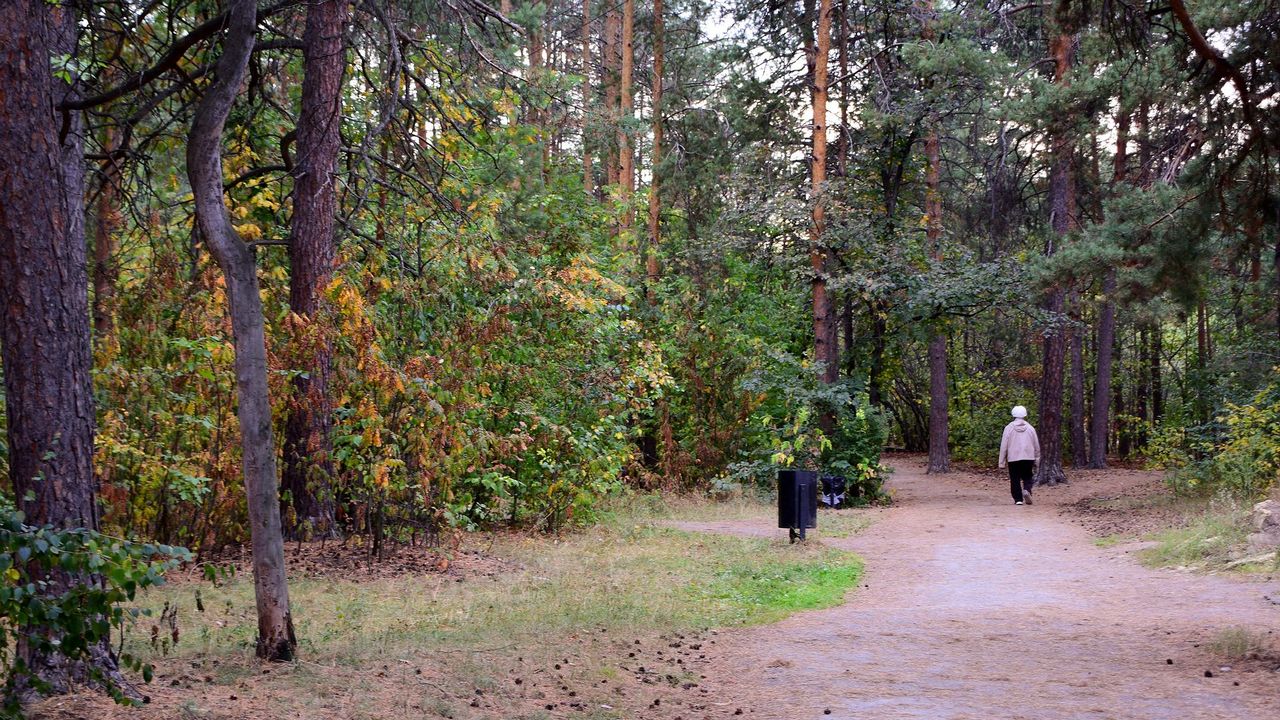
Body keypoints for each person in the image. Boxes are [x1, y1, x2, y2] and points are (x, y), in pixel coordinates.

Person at [998, 405, 1040, 505]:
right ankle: (1027, 490)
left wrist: (1001, 462)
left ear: (1013, 414)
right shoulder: (1030, 428)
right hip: (1028, 457)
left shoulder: (1009, 428)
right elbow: (1036, 444)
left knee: (1014, 478)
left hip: (1013, 458)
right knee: (1028, 476)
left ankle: (1018, 499)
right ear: (1025, 415)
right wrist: (1037, 459)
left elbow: (1004, 445)